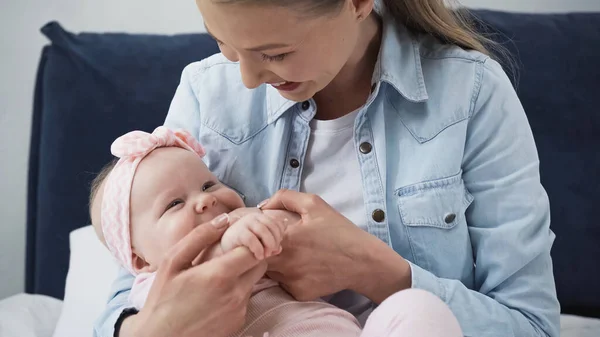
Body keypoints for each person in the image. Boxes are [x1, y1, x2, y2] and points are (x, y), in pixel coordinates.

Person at [93, 0, 561, 336]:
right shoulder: (205, 93)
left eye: (275, 54)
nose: (248, 79)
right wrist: (165, 327)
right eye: (225, 44)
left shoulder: (472, 93)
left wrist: (372, 268)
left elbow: (532, 326)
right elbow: (132, 280)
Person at [90, 126, 463, 337]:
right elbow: (227, 254)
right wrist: (242, 232)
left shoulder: (249, 221)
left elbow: (300, 242)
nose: (205, 202)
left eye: (208, 185)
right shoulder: (157, 289)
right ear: (139, 259)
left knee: (416, 307)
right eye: (174, 205)